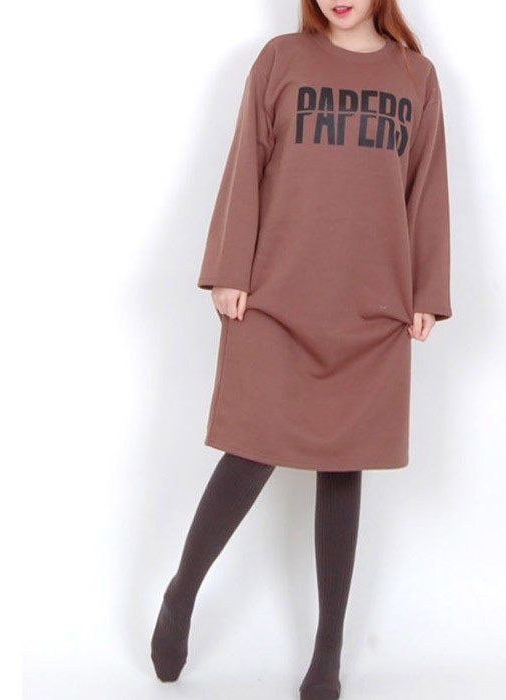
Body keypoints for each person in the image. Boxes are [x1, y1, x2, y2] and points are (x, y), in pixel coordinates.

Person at [150, 1, 452, 698]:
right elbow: (246, 165)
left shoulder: (417, 76)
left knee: (345, 464)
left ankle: (329, 648)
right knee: (250, 449)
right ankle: (181, 593)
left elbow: (427, 184)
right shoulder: (280, 62)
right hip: (276, 297)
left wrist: (427, 289)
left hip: (371, 306)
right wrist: (230, 269)